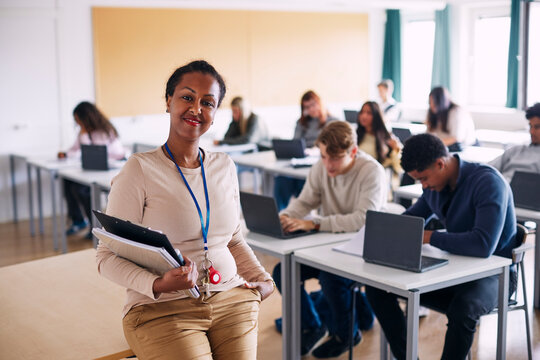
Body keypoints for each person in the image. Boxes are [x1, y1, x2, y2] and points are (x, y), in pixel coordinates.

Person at [96, 60, 274, 360]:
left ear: (215, 114)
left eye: (208, 102)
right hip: (161, 309)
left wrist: (264, 281)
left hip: (232, 300)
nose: (196, 109)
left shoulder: (224, 167)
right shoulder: (139, 170)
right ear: (169, 101)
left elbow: (232, 239)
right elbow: (105, 257)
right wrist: (157, 283)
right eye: (187, 97)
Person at [365, 133, 519, 360]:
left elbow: (482, 245)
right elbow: (411, 220)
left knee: (463, 309)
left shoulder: (488, 182)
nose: (424, 186)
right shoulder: (433, 186)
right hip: (454, 271)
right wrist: (384, 231)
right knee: (377, 287)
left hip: (496, 276)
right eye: (419, 181)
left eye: (425, 179)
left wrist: (428, 236)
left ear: (440, 163)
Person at [273, 121, 388, 357]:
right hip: (327, 246)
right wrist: (283, 218)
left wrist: (315, 223)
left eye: (335, 158)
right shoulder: (321, 167)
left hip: (360, 249)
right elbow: (305, 202)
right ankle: (312, 326)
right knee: (282, 272)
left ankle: (347, 335)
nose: (328, 164)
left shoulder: (372, 171)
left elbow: (362, 219)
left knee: (330, 279)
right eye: (324, 156)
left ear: (353, 152)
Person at [59, 101, 126, 239]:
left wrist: (84, 136)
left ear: (86, 117)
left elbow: (102, 153)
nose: (77, 123)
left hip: (111, 169)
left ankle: (95, 226)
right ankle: (78, 220)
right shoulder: (84, 132)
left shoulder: (106, 131)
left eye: (78, 120)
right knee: (67, 182)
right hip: (93, 170)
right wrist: (66, 154)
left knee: (82, 189)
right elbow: (78, 150)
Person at [274, 90, 338, 210]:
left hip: (320, 159)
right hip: (301, 160)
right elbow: (296, 142)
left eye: (313, 104)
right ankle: (280, 215)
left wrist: (317, 150)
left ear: (319, 103)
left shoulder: (332, 122)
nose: (311, 109)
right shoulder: (302, 123)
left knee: (303, 182)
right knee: (282, 178)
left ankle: (303, 212)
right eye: (307, 107)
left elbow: (333, 146)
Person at [489, 102, 540, 182]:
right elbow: (487, 169)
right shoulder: (516, 151)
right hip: (500, 188)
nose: (531, 132)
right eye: (530, 126)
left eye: (537, 127)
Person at [356, 101, 402, 175]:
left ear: (376, 116)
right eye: (362, 112)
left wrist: (396, 149)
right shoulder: (356, 136)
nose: (364, 116)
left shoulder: (387, 138)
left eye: (369, 113)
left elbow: (399, 168)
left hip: (378, 176)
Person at [426, 86, 476, 152]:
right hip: (444, 148)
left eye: (435, 103)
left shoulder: (457, 112)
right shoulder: (434, 113)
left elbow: (456, 137)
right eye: (430, 103)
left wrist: (434, 145)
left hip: (464, 148)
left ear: (442, 101)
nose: (432, 106)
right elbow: (429, 134)